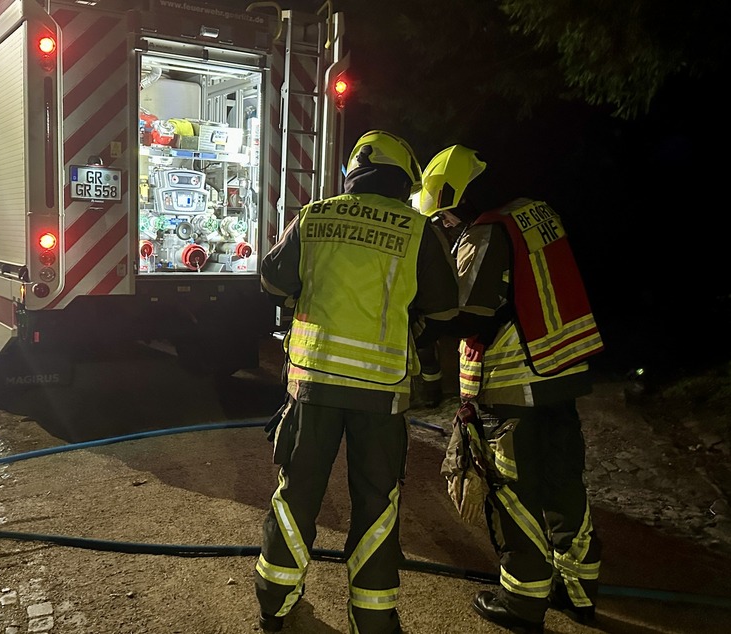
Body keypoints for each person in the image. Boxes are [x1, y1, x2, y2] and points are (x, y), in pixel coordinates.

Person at [254, 130, 460, 633]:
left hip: (313, 384)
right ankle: (372, 617)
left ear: (354, 172)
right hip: (380, 393)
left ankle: (274, 599)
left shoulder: (315, 216)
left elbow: (272, 281)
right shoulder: (417, 230)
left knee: (297, 490)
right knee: (377, 501)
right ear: (403, 177)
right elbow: (446, 306)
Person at [417, 145, 605, 633]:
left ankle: (523, 602)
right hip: (561, 373)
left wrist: (423, 311)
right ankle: (579, 592)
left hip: (513, 386)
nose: (448, 223)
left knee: (512, 493)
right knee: (565, 486)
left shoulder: (488, 230)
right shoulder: (538, 215)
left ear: (458, 196)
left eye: (446, 213)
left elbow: (468, 313)